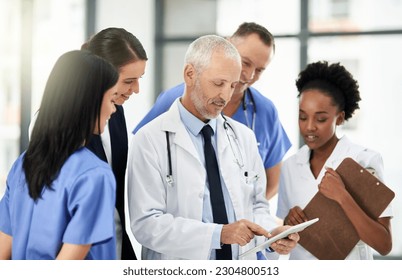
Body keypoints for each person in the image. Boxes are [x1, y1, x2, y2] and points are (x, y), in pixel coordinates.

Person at [127, 34, 299, 260]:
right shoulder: (150, 140)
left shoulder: (244, 138)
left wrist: (271, 235)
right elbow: (146, 224)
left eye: (232, 85)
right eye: (218, 83)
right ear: (190, 74)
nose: (225, 96)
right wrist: (218, 234)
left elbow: (257, 207)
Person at [133, 22, 291, 201]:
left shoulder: (264, 111)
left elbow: (273, 179)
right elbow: (141, 156)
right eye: (245, 63)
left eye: (260, 70)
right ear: (228, 45)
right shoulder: (173, 100)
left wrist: (248, 213)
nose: (249, 75)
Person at [0, 50, 119, 259]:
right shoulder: (94, 175)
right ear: (89, 102)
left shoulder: (23, 164)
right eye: (111, 99)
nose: (114, 110)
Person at [276, 61, 393, 260]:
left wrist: (342, 196)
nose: (309, 127)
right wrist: (289, 222)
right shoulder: (289, 167)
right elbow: (286, 236)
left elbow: (384, 244)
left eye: (320, 119)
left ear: (339, 118)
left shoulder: (364, 160)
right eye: (302, 117)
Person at [81, 27, 148, 260]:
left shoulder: (116, 112)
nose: (136, 90)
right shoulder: (61, 123)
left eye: (139, 80)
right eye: (129, 81)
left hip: (117, 244)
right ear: (101, 74)